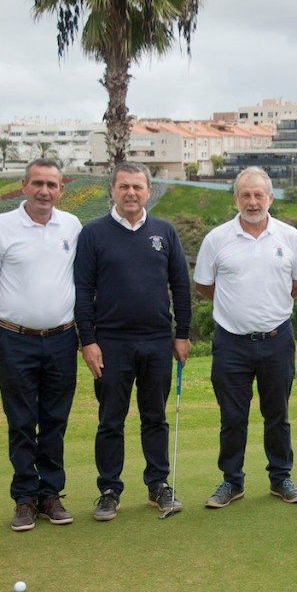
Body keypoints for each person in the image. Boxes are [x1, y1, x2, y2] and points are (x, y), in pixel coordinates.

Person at [74, 162, 192, 521]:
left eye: (137, 187)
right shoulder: (93, 233)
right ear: (112, 189)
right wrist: (88, 341)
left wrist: (183, 334)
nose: (131, 193)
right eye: (124, 186)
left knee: (155, 418)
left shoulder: (164, 232)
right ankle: (109, 489)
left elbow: (181, 286)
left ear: (148, 191)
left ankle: (158, 485)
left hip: (156, 341)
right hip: (111, 343)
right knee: (111, 419)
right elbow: (82, 290)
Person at [0, 158, 82, 532]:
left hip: (63, 339)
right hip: (14, 339)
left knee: (54, 421)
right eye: (38, 183)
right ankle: (24, 497)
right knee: (21, 421)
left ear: (61, 189)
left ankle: (50, 495)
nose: (44, 191)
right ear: (24, 185)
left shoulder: (73, 225)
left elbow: (83, 283)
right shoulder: (0, 227)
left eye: (52, 184)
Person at [194, 166, 297, 508]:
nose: (252, 201)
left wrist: (273, 303)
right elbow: (204, 285)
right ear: (236, 199)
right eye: (245, 195)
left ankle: (280, 478)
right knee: (232, 416)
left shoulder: (289, 236)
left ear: (270, 198)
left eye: (259, 194)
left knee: (278, 414)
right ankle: (232, 481)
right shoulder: (217, 239)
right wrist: (233, 307)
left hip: (277, 339)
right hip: (231, 342)